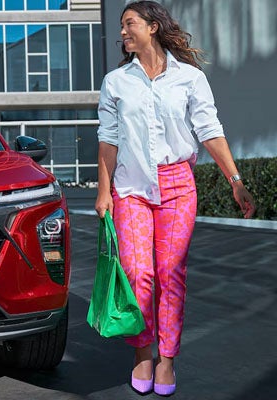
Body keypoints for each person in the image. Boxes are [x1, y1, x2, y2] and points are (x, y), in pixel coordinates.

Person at [95, 1, 255, 396]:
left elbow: (209, 130)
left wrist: (235, 179)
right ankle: (143, 352)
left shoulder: (190, 78)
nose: (123, 32)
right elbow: (108, 140)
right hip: (131, 187)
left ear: (152, 27)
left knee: (170, 272)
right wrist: (103, 192)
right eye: (121, 26)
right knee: (138, 272)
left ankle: (167, 358)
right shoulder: (116, 82)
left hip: (178, 186)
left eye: (129, 24)